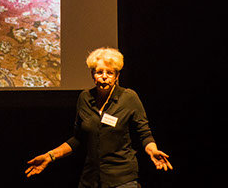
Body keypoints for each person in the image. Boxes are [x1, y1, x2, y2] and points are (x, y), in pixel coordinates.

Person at [25, 47, 172, 187]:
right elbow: (77, 139)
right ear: (92, 74)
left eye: (110, 73)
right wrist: (49, 156)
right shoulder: (84, 98)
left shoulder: (129, 97)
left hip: (122, 179)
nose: (104, 77)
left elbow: (144, 133)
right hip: (90, 179)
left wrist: (153, 151)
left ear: (117, 76)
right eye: (99, 72)